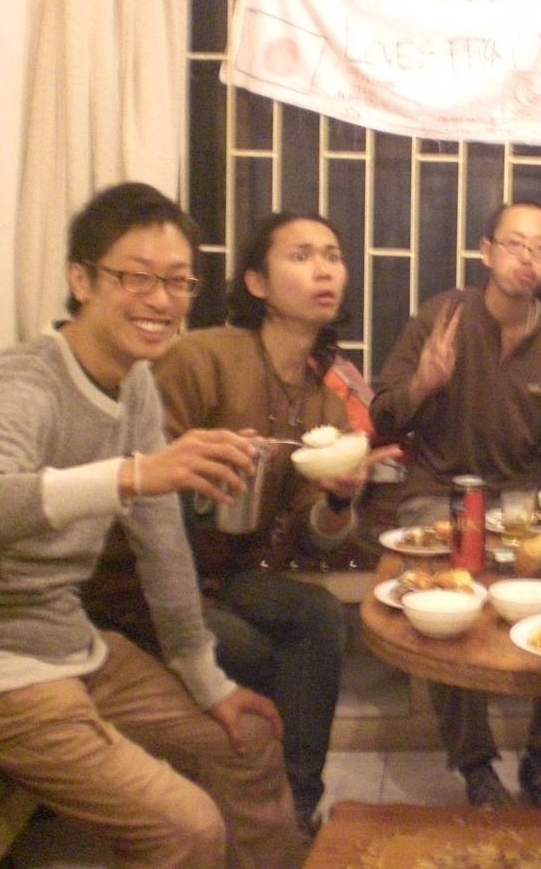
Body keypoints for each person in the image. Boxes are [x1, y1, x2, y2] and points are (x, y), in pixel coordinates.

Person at [0, 182, 306, 868]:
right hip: (2, 669)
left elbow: (163, 548)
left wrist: (207, 683)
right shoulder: (27, 381)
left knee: (248, 739)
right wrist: (132, 474)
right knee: (188, 828)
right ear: (81, 280)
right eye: (137, 277)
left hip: (74, 643)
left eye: (178, 281)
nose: (162, 300)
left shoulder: (134, 386)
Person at [148, 211, 396, 832]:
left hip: (232, 574)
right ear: (257, 283)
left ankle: (298, 807)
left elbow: (313, 538)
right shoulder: (202, 357)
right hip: (152, 578)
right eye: (301, 256)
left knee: (318, 615)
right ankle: (255, 807)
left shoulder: (323, 402)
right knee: (254, 649)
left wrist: (339, 500)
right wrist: (203, 477)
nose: (324, 270)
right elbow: (139, 477)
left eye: (333, 256)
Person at [370, 201, 541, 807]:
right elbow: (382, 415)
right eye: (515, 244)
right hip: (439, 490)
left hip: (522, 495)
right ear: (486, 251)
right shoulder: (439, 317)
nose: (528, 259)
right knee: (447, 601)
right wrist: (424, 382)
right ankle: (475, 766)